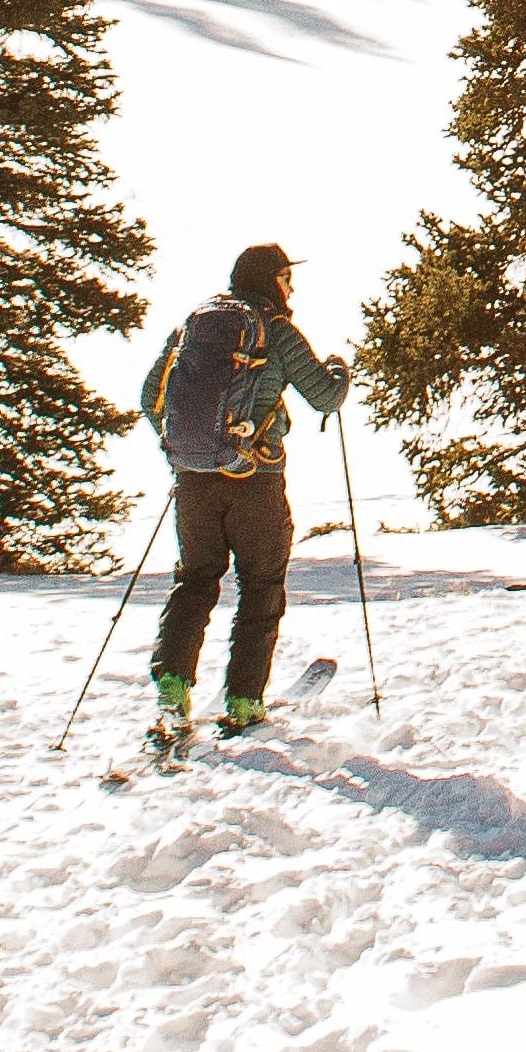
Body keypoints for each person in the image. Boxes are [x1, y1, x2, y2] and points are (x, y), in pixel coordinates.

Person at [137, 242, 349, 746]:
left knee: (195, 581)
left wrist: (191, 449)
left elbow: (151, 397)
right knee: (260, 584)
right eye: (286, 278)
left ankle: (172, 690)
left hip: (193, 481)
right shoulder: (276, 330)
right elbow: (326, 395)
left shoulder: (192, 326)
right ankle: (244, 702)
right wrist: (340, 369)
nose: (291, 287)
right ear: (271, 281)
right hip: (255, 479)